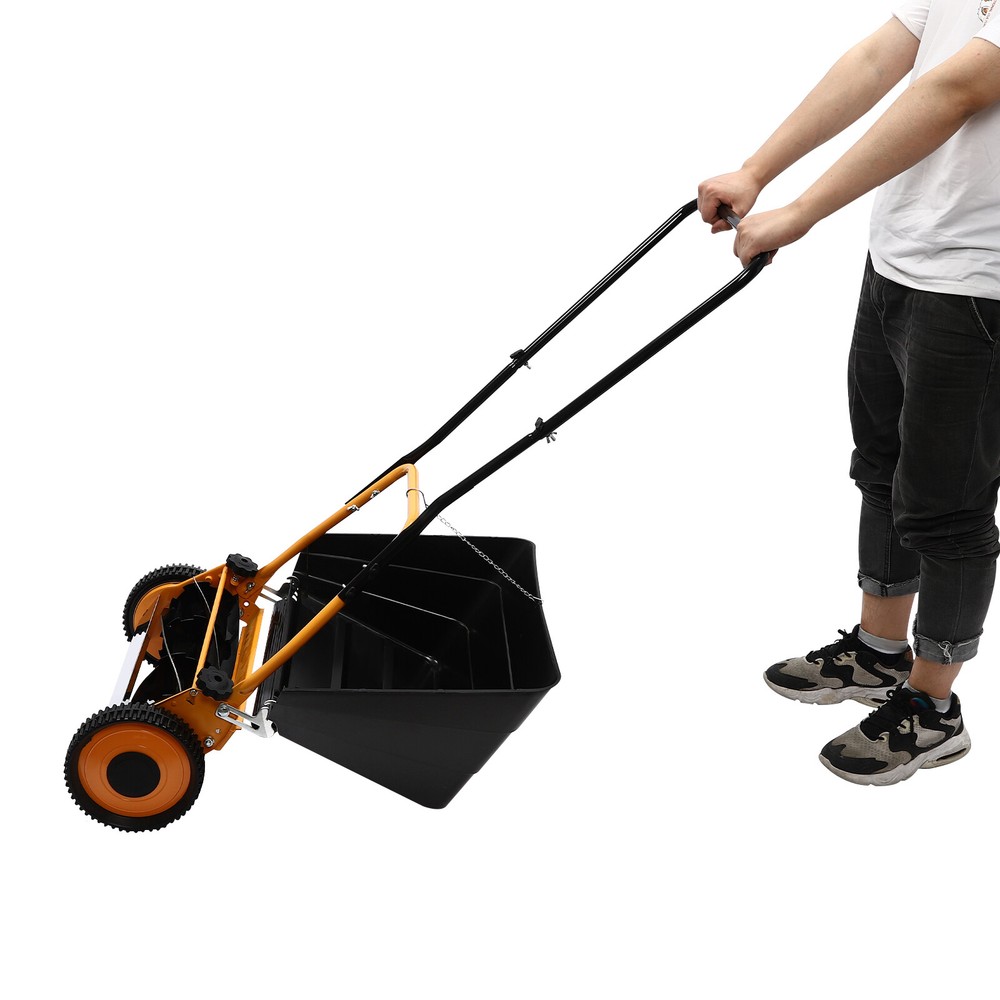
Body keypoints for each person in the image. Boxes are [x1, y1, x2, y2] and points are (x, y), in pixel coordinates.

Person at [698, 0, 1000, 784]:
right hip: (900, 255)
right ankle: (878, 651)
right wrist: (757, 171)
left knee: (950, 509)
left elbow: (958, 90)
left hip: (980, 285)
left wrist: (802, 211)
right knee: (883, 470)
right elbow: (881, 56)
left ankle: (933, 707)